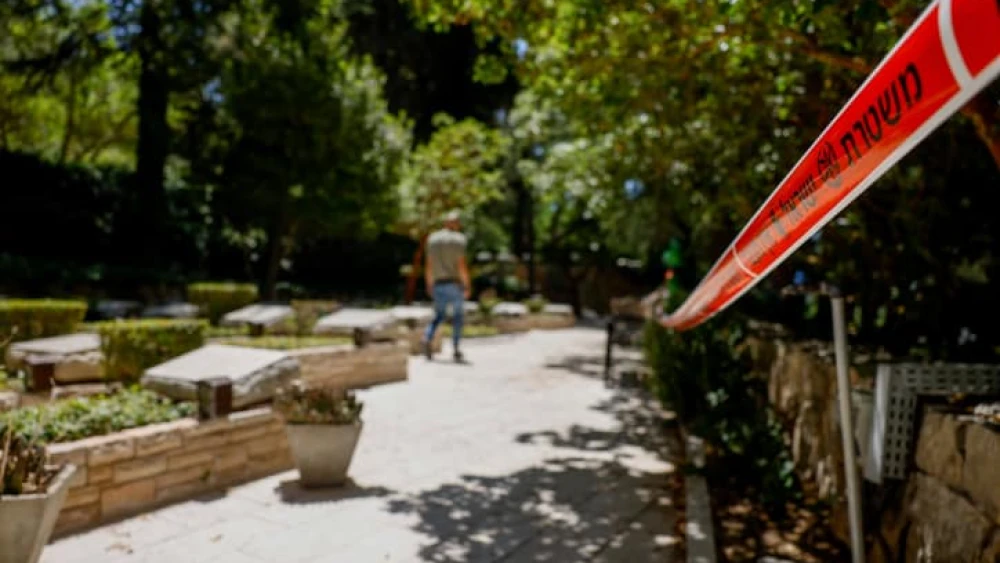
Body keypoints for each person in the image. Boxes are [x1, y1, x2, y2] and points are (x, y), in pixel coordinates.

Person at [423, 210, 471, 362]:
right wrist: (467, 284)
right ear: (456, 224)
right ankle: (456, 349)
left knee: (438, 316)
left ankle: (427, 337)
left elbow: (429, 264)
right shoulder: (459, 240)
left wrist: (429, 283)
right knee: (457, 318)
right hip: (455, 284)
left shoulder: (433, 239)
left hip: (438, 283)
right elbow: (461, 264)